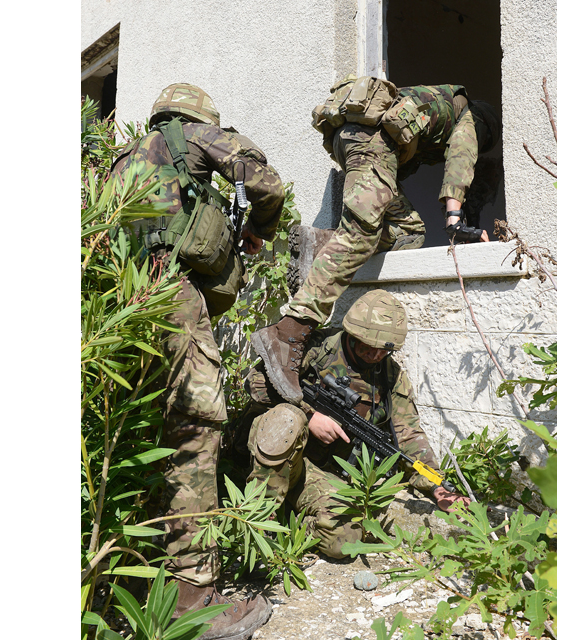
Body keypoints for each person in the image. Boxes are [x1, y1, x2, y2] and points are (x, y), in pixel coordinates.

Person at [110, 82, 284, 640]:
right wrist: (258, 230)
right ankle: (193, 595)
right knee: (197, 426)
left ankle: (135, 569)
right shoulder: (193, 137)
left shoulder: (123, 160)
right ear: (193, 116)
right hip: (172, 294)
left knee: (142, 428)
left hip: (121, 298)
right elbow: (266, 182)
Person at [251, 79, 501, 404]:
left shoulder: (434, 105)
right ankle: (290, 331)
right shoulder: (468, 117)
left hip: (353, 141)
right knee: (361, 232)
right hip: (371, 145)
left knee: (410, 231)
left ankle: (322, 244)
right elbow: (461, 160)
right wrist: (454, 221)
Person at [241, 290, 470, 557]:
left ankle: (287, 524)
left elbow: (408, 437)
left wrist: (436, 485)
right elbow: (255, 384)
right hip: (277, 454)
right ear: (351, 333)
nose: (374, 355)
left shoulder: (391, 377)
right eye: (366, 345)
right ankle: (254, 528)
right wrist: (310, 415)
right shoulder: (314, 347)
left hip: (316, 473)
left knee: (344, 540)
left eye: (382, 350)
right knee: (287, 420)